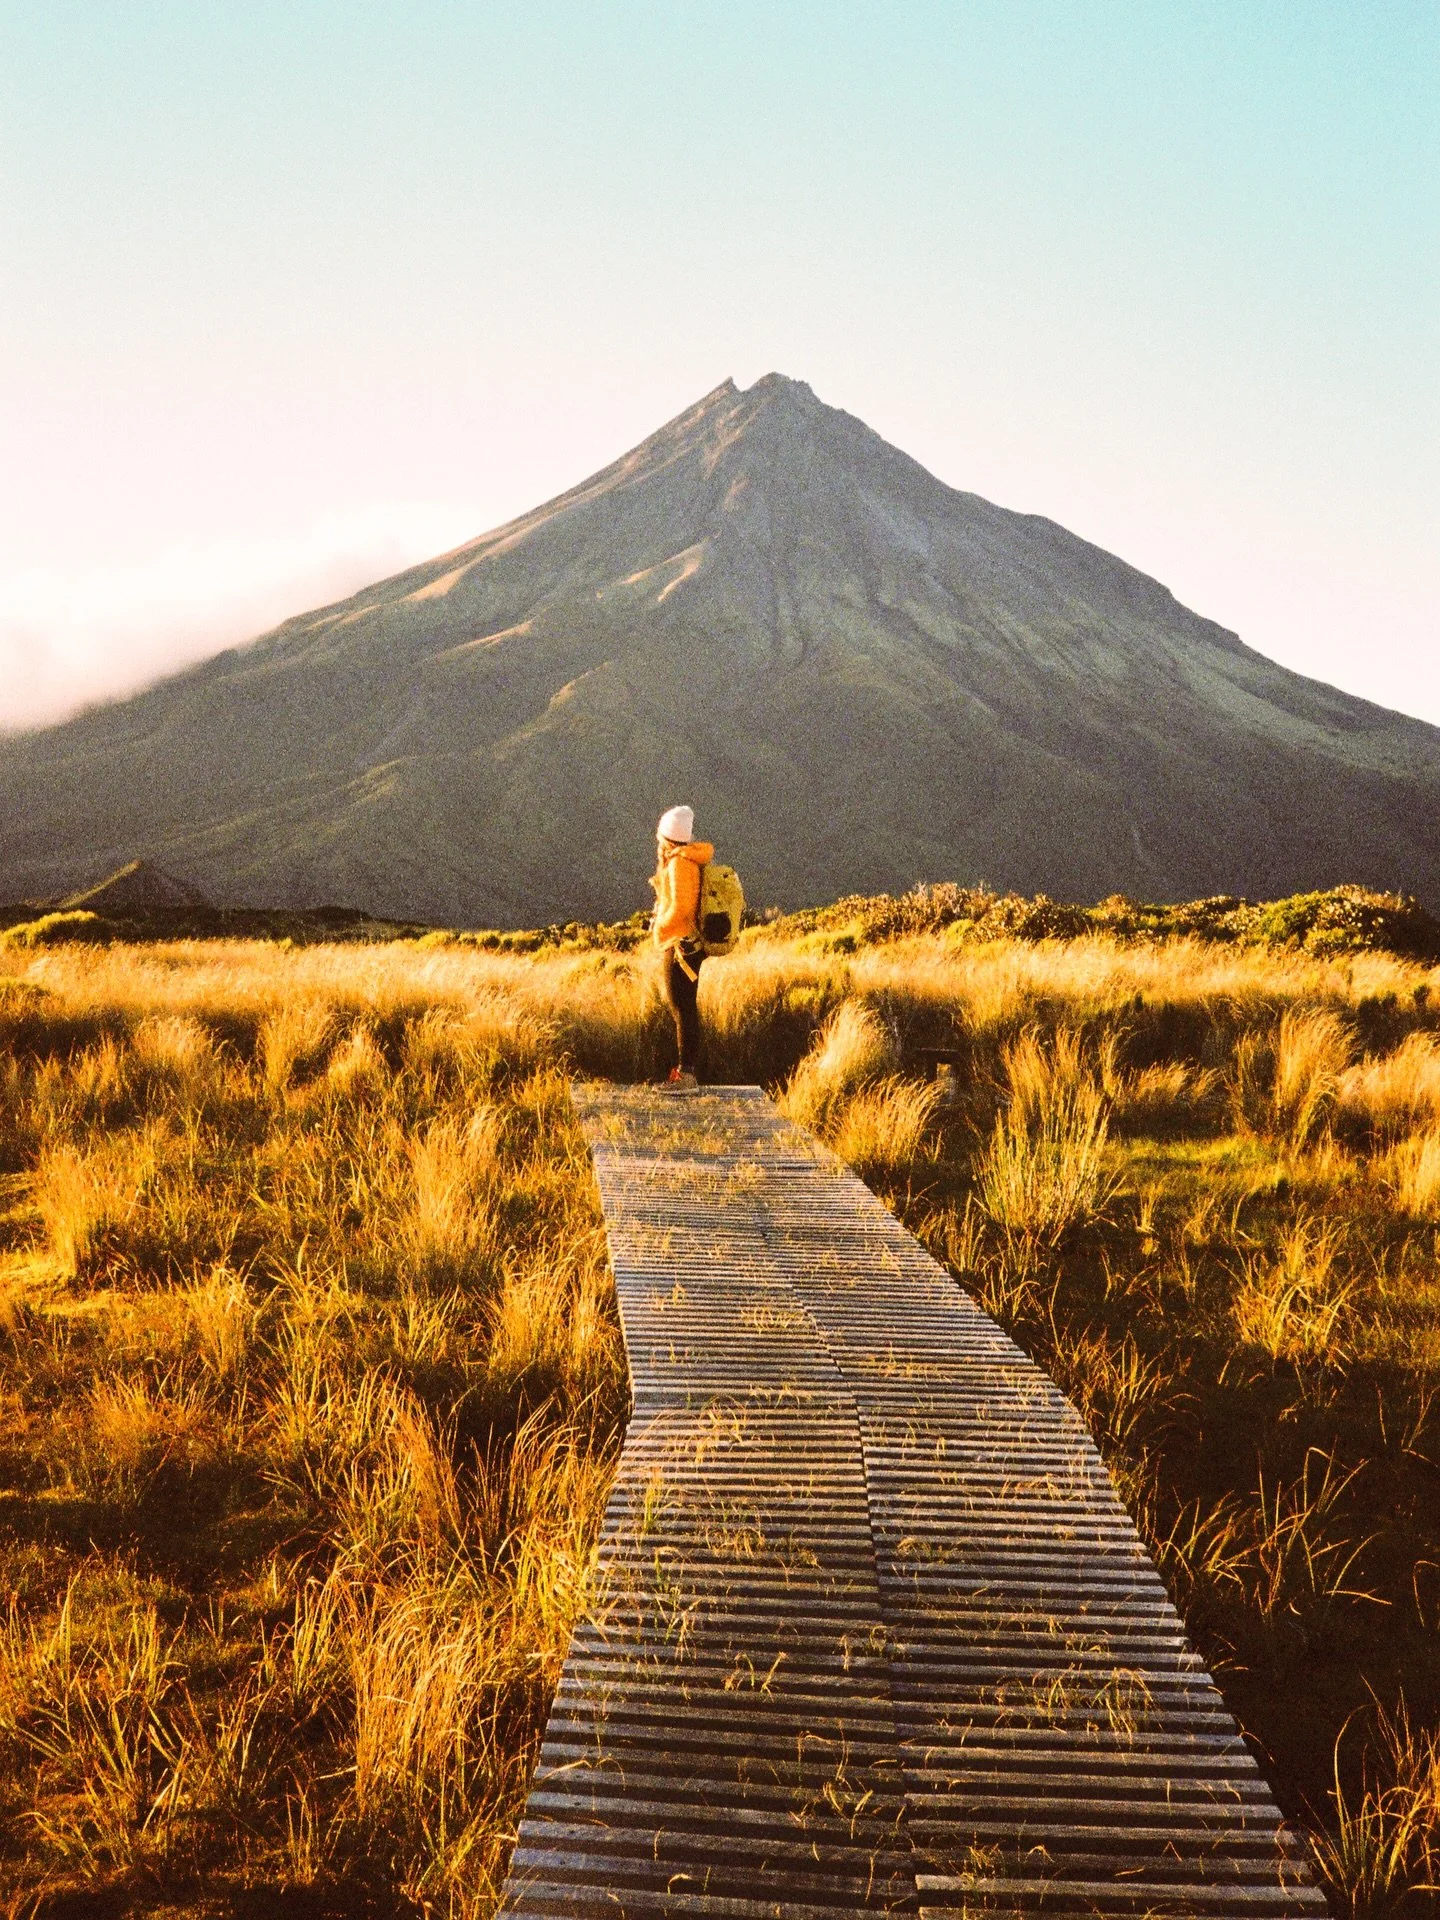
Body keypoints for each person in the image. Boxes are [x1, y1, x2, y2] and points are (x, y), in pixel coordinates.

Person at [650, 804, 713, 1089]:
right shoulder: (688, 861)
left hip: (681, 945)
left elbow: (682, 907)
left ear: (667, 839)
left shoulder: (678, 864)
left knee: (681, 1008)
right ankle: (685, 1072)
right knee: (685, 1007)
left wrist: (660, 925)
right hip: (688, 944)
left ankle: (685, 1075)